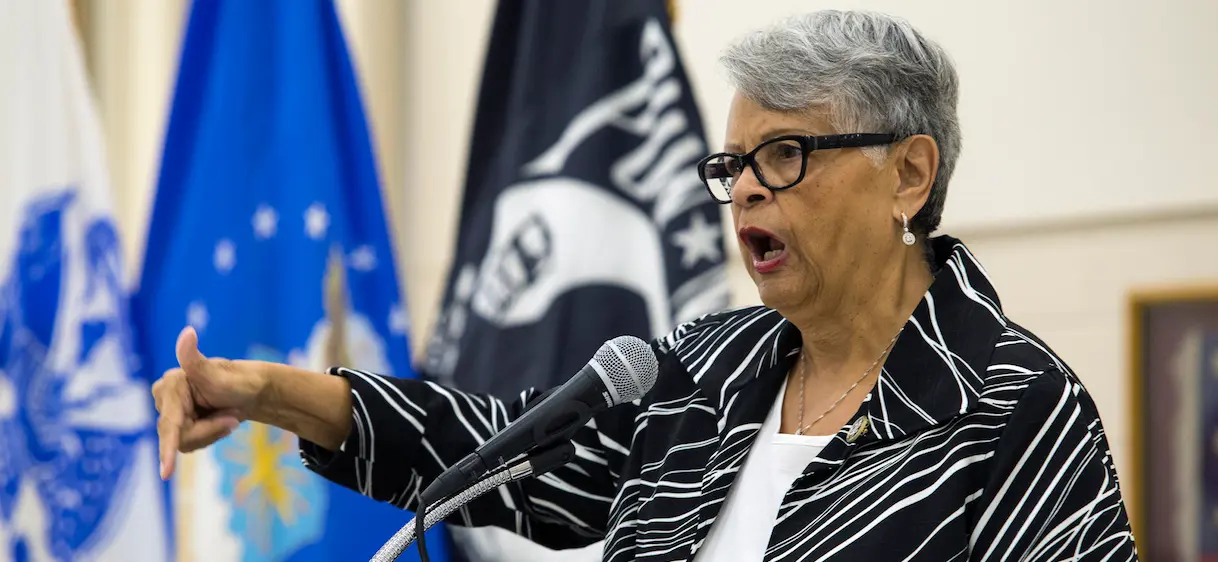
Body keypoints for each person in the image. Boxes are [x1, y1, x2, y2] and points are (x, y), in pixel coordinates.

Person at [152, 10, 1138, 561]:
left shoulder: (1016, 409)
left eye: (787, 154)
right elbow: (500, 449)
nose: (746, 187)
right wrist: (269, 394)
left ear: (909, 176)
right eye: (733, 164)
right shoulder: (704, 373)